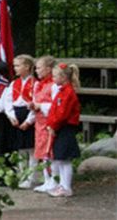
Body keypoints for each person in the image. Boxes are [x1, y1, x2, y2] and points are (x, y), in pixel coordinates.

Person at [45, 63, 81, 197]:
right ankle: (62, 184)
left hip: (65, 128)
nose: (52, 78)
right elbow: (55, 111)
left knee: (64, 159)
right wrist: (50, 125)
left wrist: (53, 126)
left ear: (63, 77)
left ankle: (66, 187)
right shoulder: (62, 91)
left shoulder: (67, 93)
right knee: (59, 158)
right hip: (60, 127)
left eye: (54, 76)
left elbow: (62, 114)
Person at [5, 54, 37, 189]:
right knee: (20, 149)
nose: (15, 68)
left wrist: (29, 121)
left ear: (27, 67)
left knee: (31, 149)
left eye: (18, 65)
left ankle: (32, 177)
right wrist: (11, 116)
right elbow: (7, 101)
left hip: (28, 115)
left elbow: (36, 103)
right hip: (16, 116)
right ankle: (22, 175)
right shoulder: (13, 83)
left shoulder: (35, 84)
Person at [30, 56, 57, 193]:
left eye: (39, 67)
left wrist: (40, 105)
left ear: (49, 69)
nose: (37, 70)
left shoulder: (53, 85)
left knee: (49, 151)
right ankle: (47, 179)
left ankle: (54, 180)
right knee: (42, 151)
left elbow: (55, 105)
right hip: (39, 122)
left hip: (49, 122)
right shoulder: (38, 85)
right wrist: (33, 107)